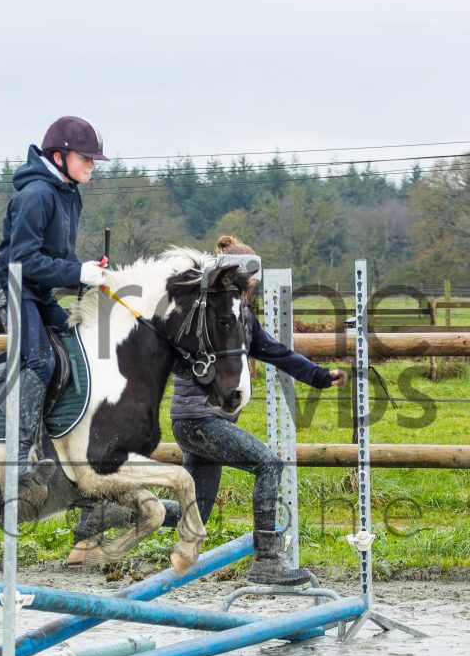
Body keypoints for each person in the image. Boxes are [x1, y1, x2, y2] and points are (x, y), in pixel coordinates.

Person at [73, 234, 348, 584]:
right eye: (248, 284)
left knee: (196, 512)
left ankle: (108, 511)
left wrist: (320, 377)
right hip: (199, 420)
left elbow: (277, 353)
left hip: (204, 422)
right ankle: (267, 559)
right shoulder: (195, 312)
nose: (250, 290)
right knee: (268, 464)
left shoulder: (239, 317)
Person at [0, 115, 109, 505]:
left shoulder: (68, 194)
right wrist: (76, 272)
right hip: (11, 290)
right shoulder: (37, 195)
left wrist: (87, 271)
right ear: (59, 156)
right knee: (41, 360)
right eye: (85, 158)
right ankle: (19, 458)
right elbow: (23, 261)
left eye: (93, 160)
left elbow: (59, 258)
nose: (91, 166)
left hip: (37, 294)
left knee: (81, 342)